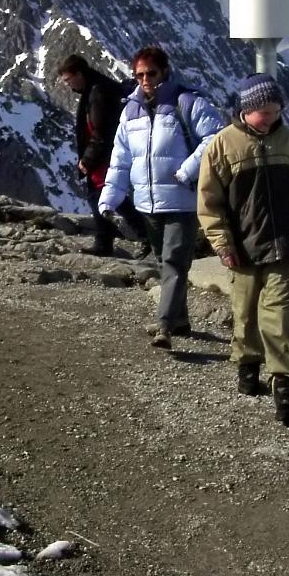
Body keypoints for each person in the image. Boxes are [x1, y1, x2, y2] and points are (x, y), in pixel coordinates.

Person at [196, 73, 289, 426]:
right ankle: (247, 367)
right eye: (265, 112)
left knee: (280, 317)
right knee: (245, 314)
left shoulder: (287, 140)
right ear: (247, 109)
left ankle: (285, 386)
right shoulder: (222, 146)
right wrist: (222, 244)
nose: (272, 118)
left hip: (283, 244)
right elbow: (209, 203)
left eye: (277, 111)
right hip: (243, 248)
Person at [98, 46, 224, 350]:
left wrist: (187, 171)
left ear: (164, 72)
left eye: (151, 73)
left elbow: (215, 138)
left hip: (182, 201)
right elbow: (120, 160)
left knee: (174, 262)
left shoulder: (188, 102)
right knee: (164, 262)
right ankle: (180, 320)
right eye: (139, 74)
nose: (145, 80)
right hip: (147, 203)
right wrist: (108, 199)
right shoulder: (130, 111)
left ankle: (164, 325)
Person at [58, 54, 149, 258]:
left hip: (104, 156)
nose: (67, 85)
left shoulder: (96, 93)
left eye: (68, 80)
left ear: (79, 74)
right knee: (105, 195)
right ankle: (112, 239)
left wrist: (88, 159)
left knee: (103, 196)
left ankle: (139, 236)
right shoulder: (97, 87)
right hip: (108, 153)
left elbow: (100, 131)